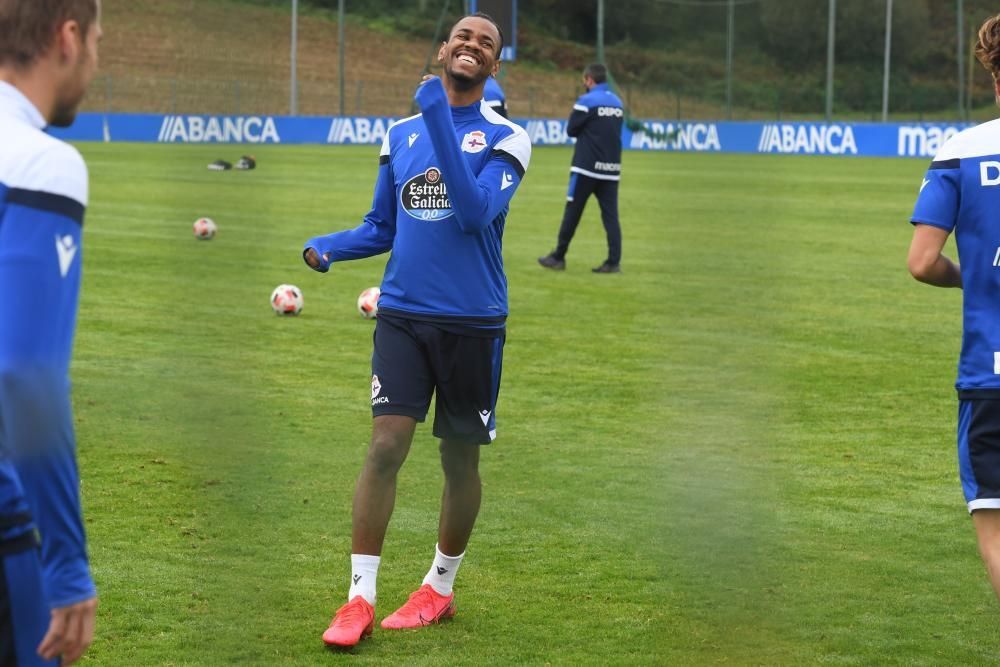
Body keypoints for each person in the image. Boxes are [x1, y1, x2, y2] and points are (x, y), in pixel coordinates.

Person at [303, 12, 530, 648]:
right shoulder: (399, 134)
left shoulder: (509, 137)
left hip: (473, 321)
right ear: (443, 50)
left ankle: (439, 586)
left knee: (458, 461)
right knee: (384, 446)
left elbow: (472, 213)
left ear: (493, 65)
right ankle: (359, 600)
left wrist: (438, 116)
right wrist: (330, 246)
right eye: (464, 36)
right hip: (402, 314)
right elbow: (383, 225)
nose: (473, 45)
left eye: (487, 42)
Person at [0, 0, 102, 665]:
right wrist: (64, 558)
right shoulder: (40, 162)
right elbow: (23, 373)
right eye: (98, 40)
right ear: (68, 38)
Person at [907, 13, 1000, 601]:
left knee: (995, 532)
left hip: (990, 376)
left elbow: (922, 261)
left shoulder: (962, 151)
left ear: (993, 75)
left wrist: (974, 280)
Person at [538, 63, 624, 274]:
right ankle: (613, 262)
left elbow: (571, 130)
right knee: (611, 216)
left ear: (589, 80)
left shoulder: (586, 101)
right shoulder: (618, 103)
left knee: (572, 213)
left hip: (586, 168)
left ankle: (558, 257)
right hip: (611, 168)